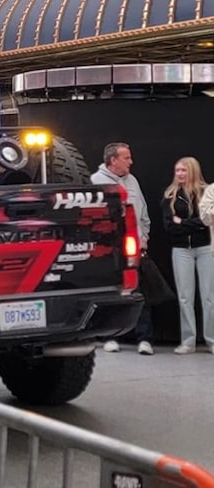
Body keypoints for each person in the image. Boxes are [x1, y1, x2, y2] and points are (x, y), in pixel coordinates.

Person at [91, 142, 154, 355]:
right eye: (126, 158)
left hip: (134, 248)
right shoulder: (95, 182)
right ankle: (110, 336)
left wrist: (143, 238)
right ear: (113, 160)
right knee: (112, 292)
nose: (131, 162)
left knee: (140, 291)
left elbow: (143, 214)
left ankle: (144, 338)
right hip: (109, 250)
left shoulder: (132, 181)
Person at [164, 157, 214, 354]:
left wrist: (183, 223)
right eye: (177, 170)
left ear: (192, 171)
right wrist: (195, 223)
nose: (180, 174)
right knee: (185, 297)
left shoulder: (206, 192)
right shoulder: (170, 195)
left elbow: (207, 220)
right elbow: (169, 227)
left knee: (209, 296)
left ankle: (211, 340)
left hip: (205, 248)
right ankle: (188, 341)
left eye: (183, 170)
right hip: (181, 250)